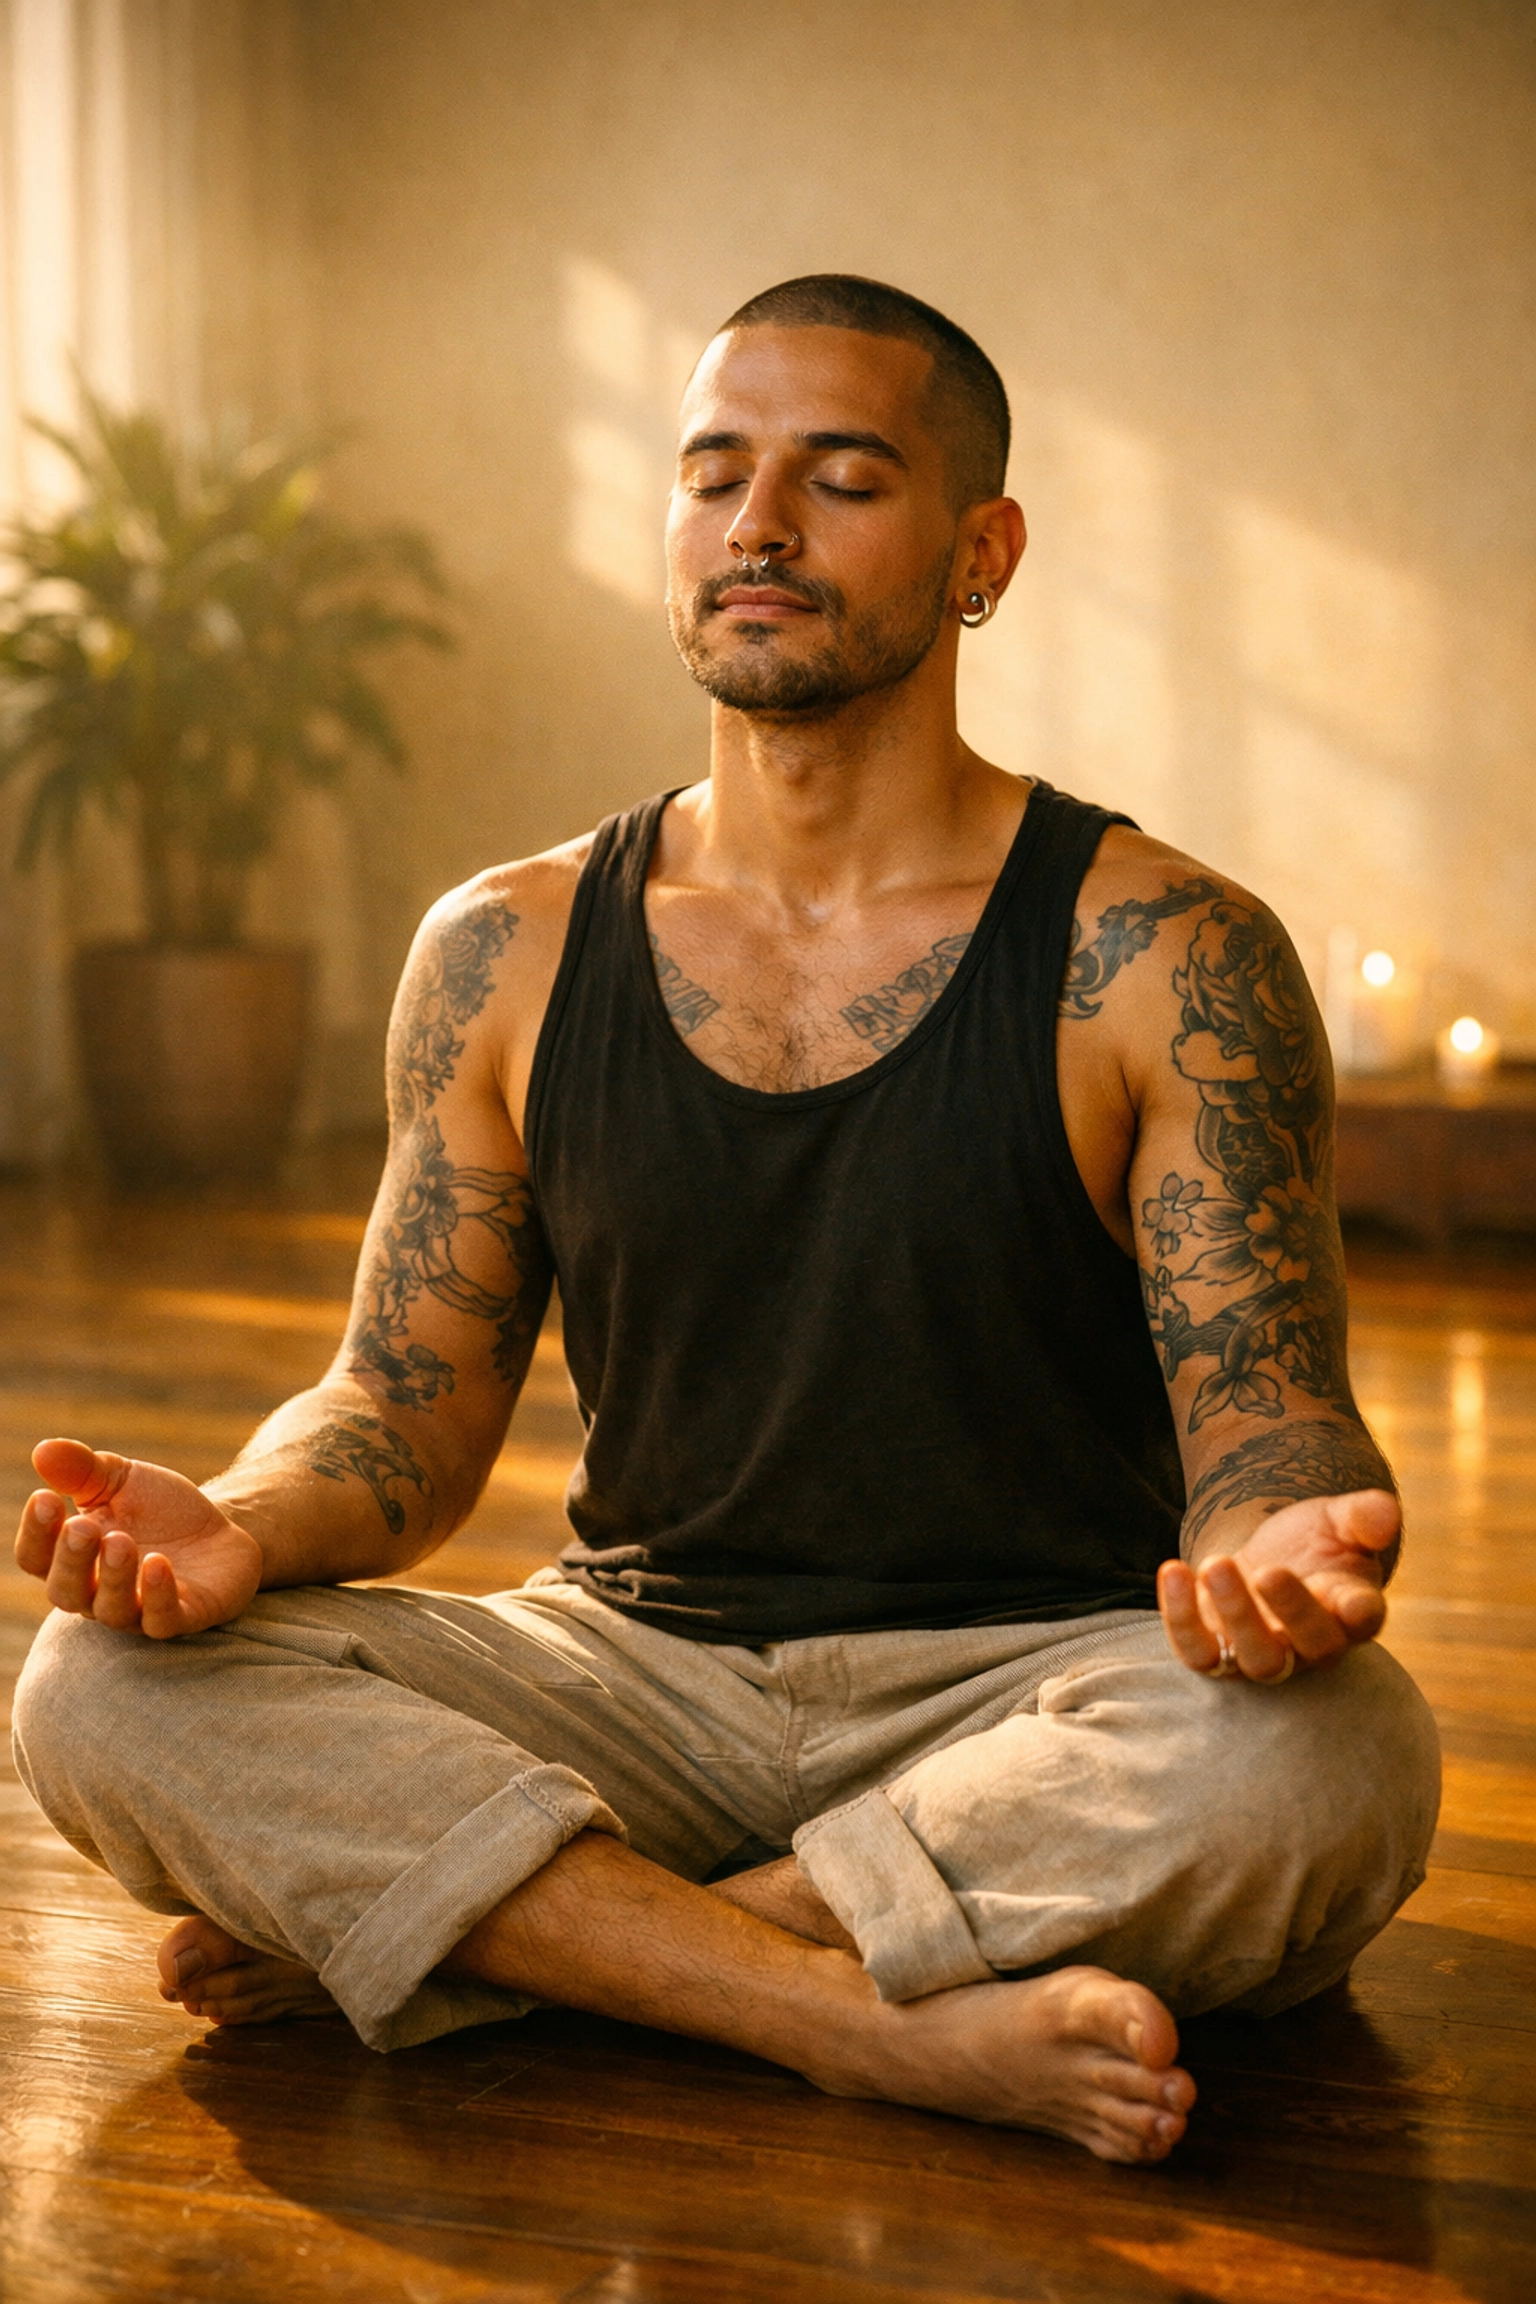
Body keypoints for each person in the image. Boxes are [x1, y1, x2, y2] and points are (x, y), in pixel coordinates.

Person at [11, 276, 1438, 2165]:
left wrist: (1277, 1546)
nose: (756, 524)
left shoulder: (1157, 953)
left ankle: (529, 1947)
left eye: (842, 477)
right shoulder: (504, 949)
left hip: (1034, 1684)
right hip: (638, 1671)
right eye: (710, 477)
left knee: (1337, 1757)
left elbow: (1266, 1413)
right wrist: (242, 1528)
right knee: (101, 1688)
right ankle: (849, 2014)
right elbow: (398, 1414)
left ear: (979, 552)